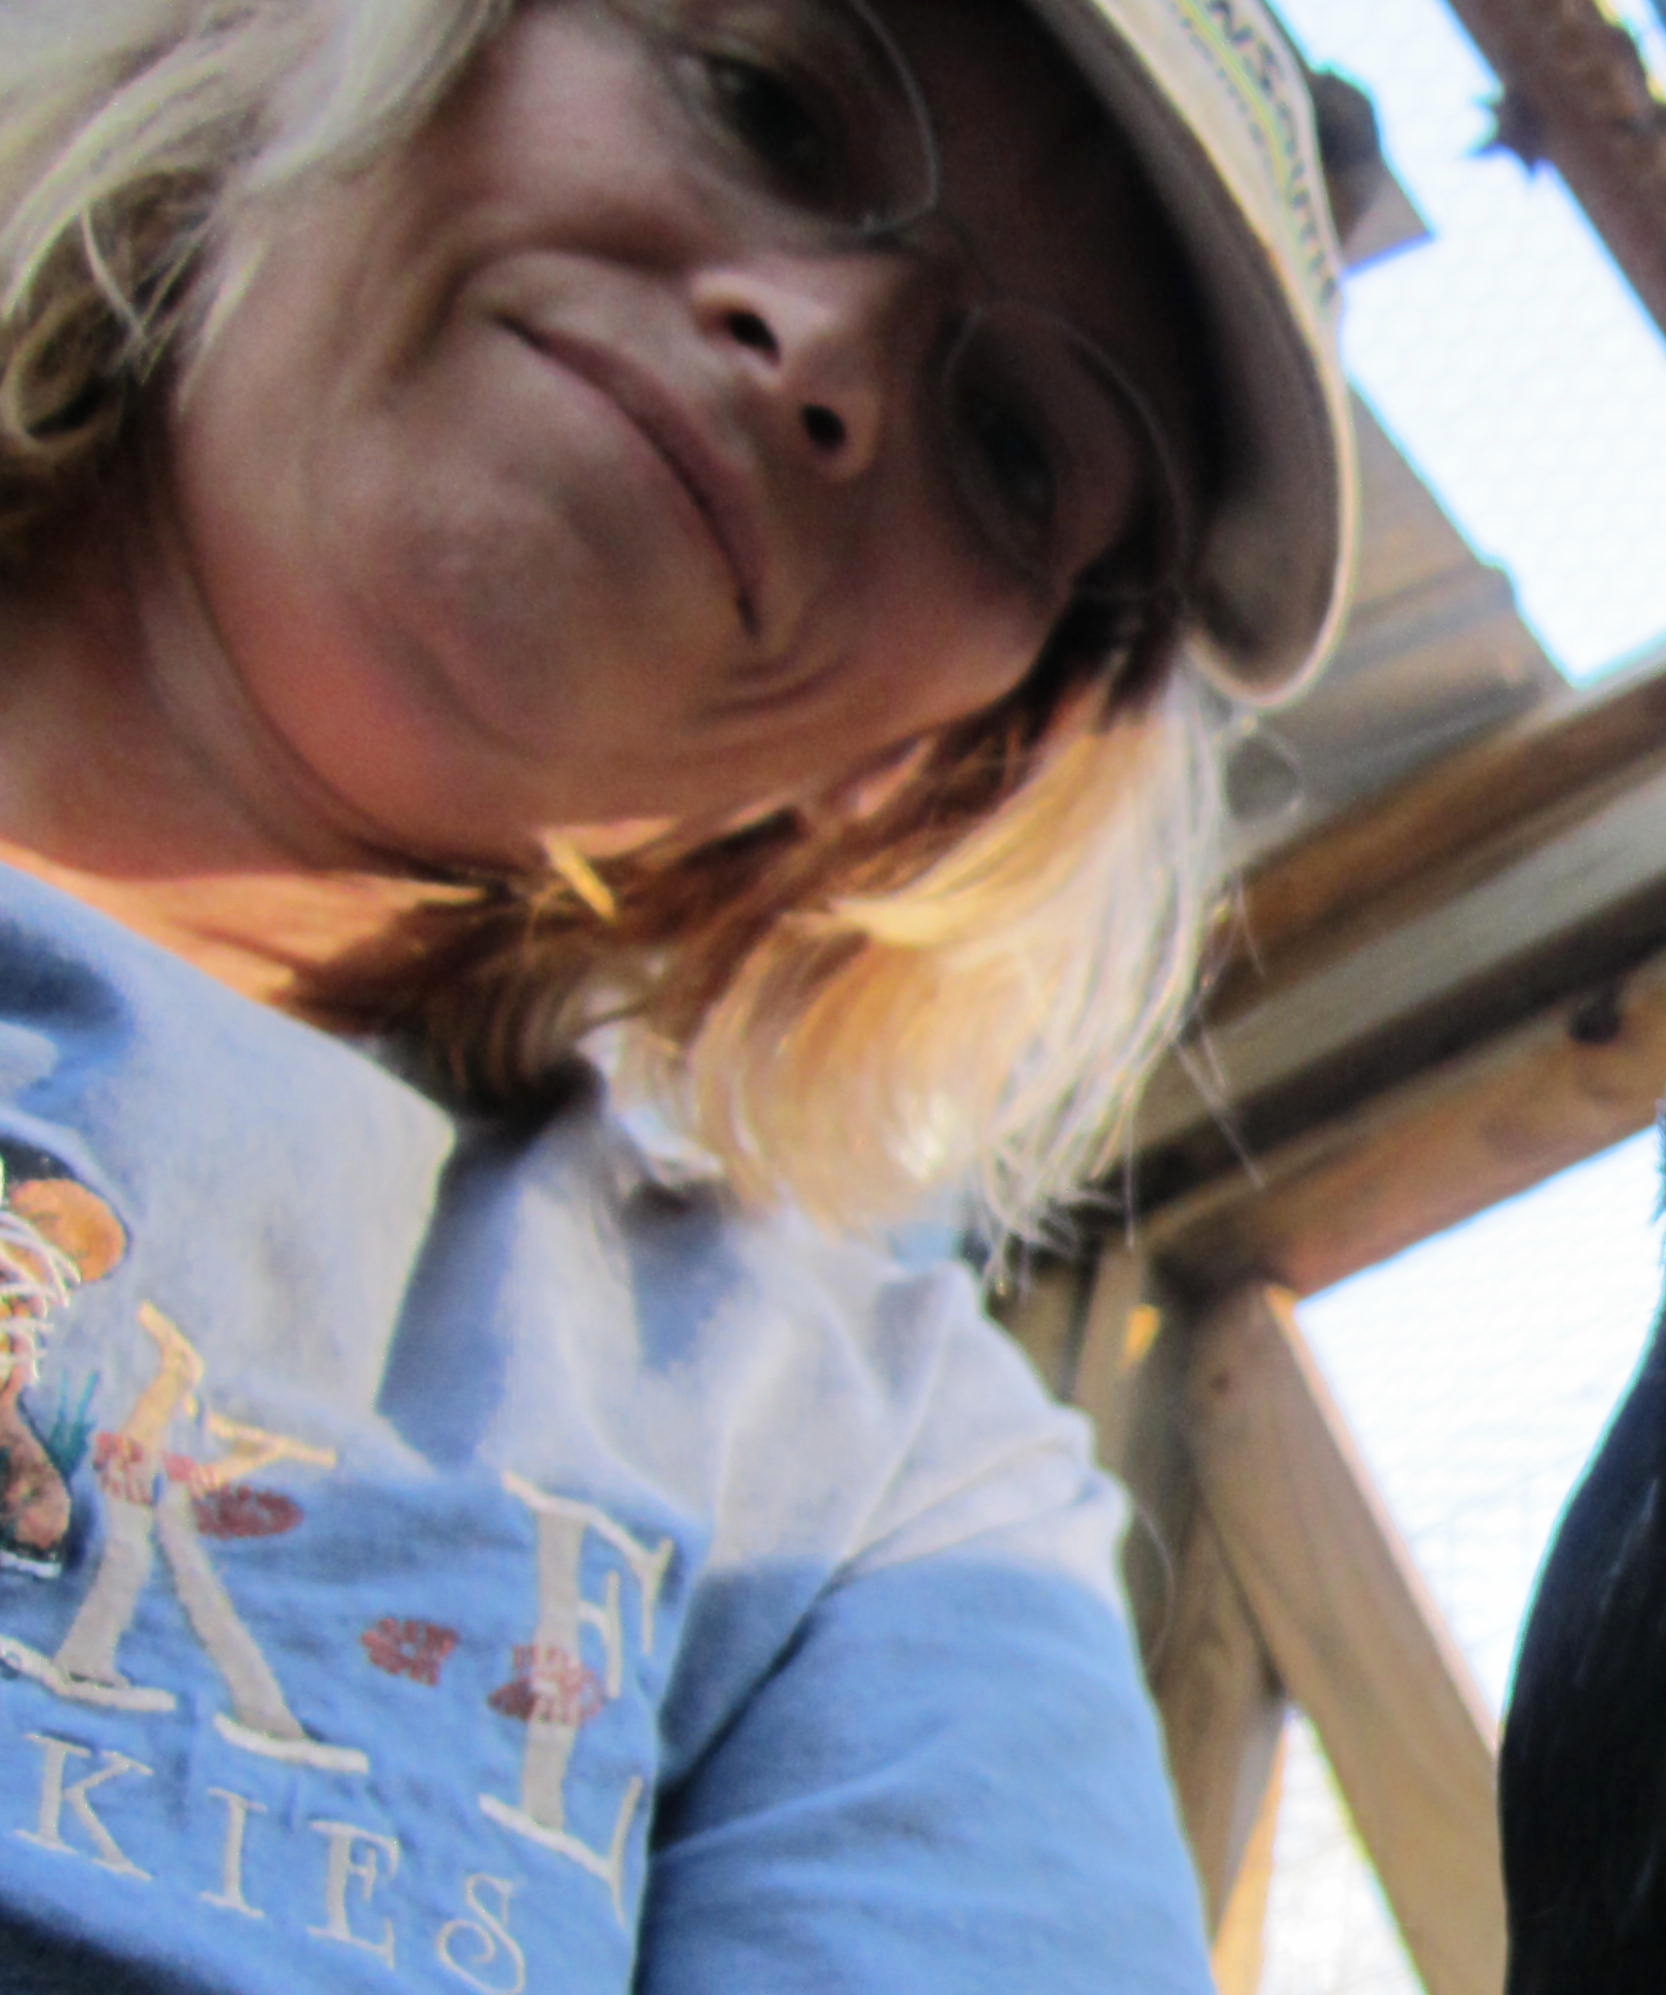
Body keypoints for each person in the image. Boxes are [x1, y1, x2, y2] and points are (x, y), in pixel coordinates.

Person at [0, 0, 1356, 1986]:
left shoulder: (878, 1480)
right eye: (768, 107)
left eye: (1009, 448)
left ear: (967, 753)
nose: (827, 353)